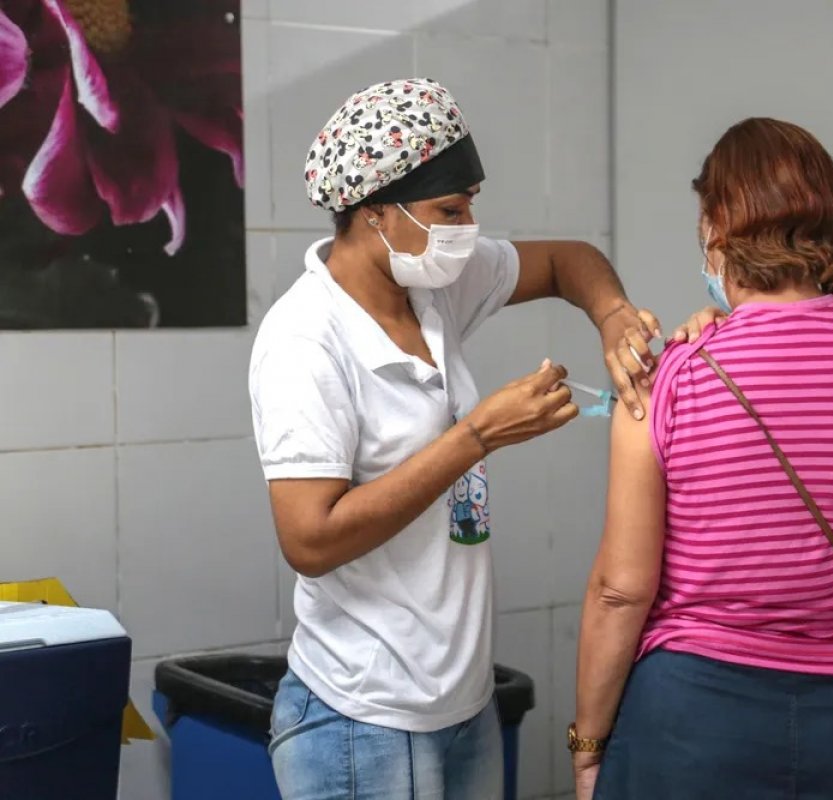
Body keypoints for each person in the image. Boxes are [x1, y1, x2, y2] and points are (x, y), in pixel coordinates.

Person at [249, 78, 665, 800]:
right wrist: (476, 435)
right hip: (362, 716)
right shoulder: (304, 341)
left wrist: (614, 317)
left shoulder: (430, 286)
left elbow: (571, 260)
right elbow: (309, 541)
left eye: (471, 203)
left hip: (460, 704)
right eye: (450, 208)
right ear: (374, 211)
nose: (468, 226)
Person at [571, 117, 833, 799]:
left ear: (718, 228)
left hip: (694, 714)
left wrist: (587, 742)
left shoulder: (673, 373)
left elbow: (620, 588)